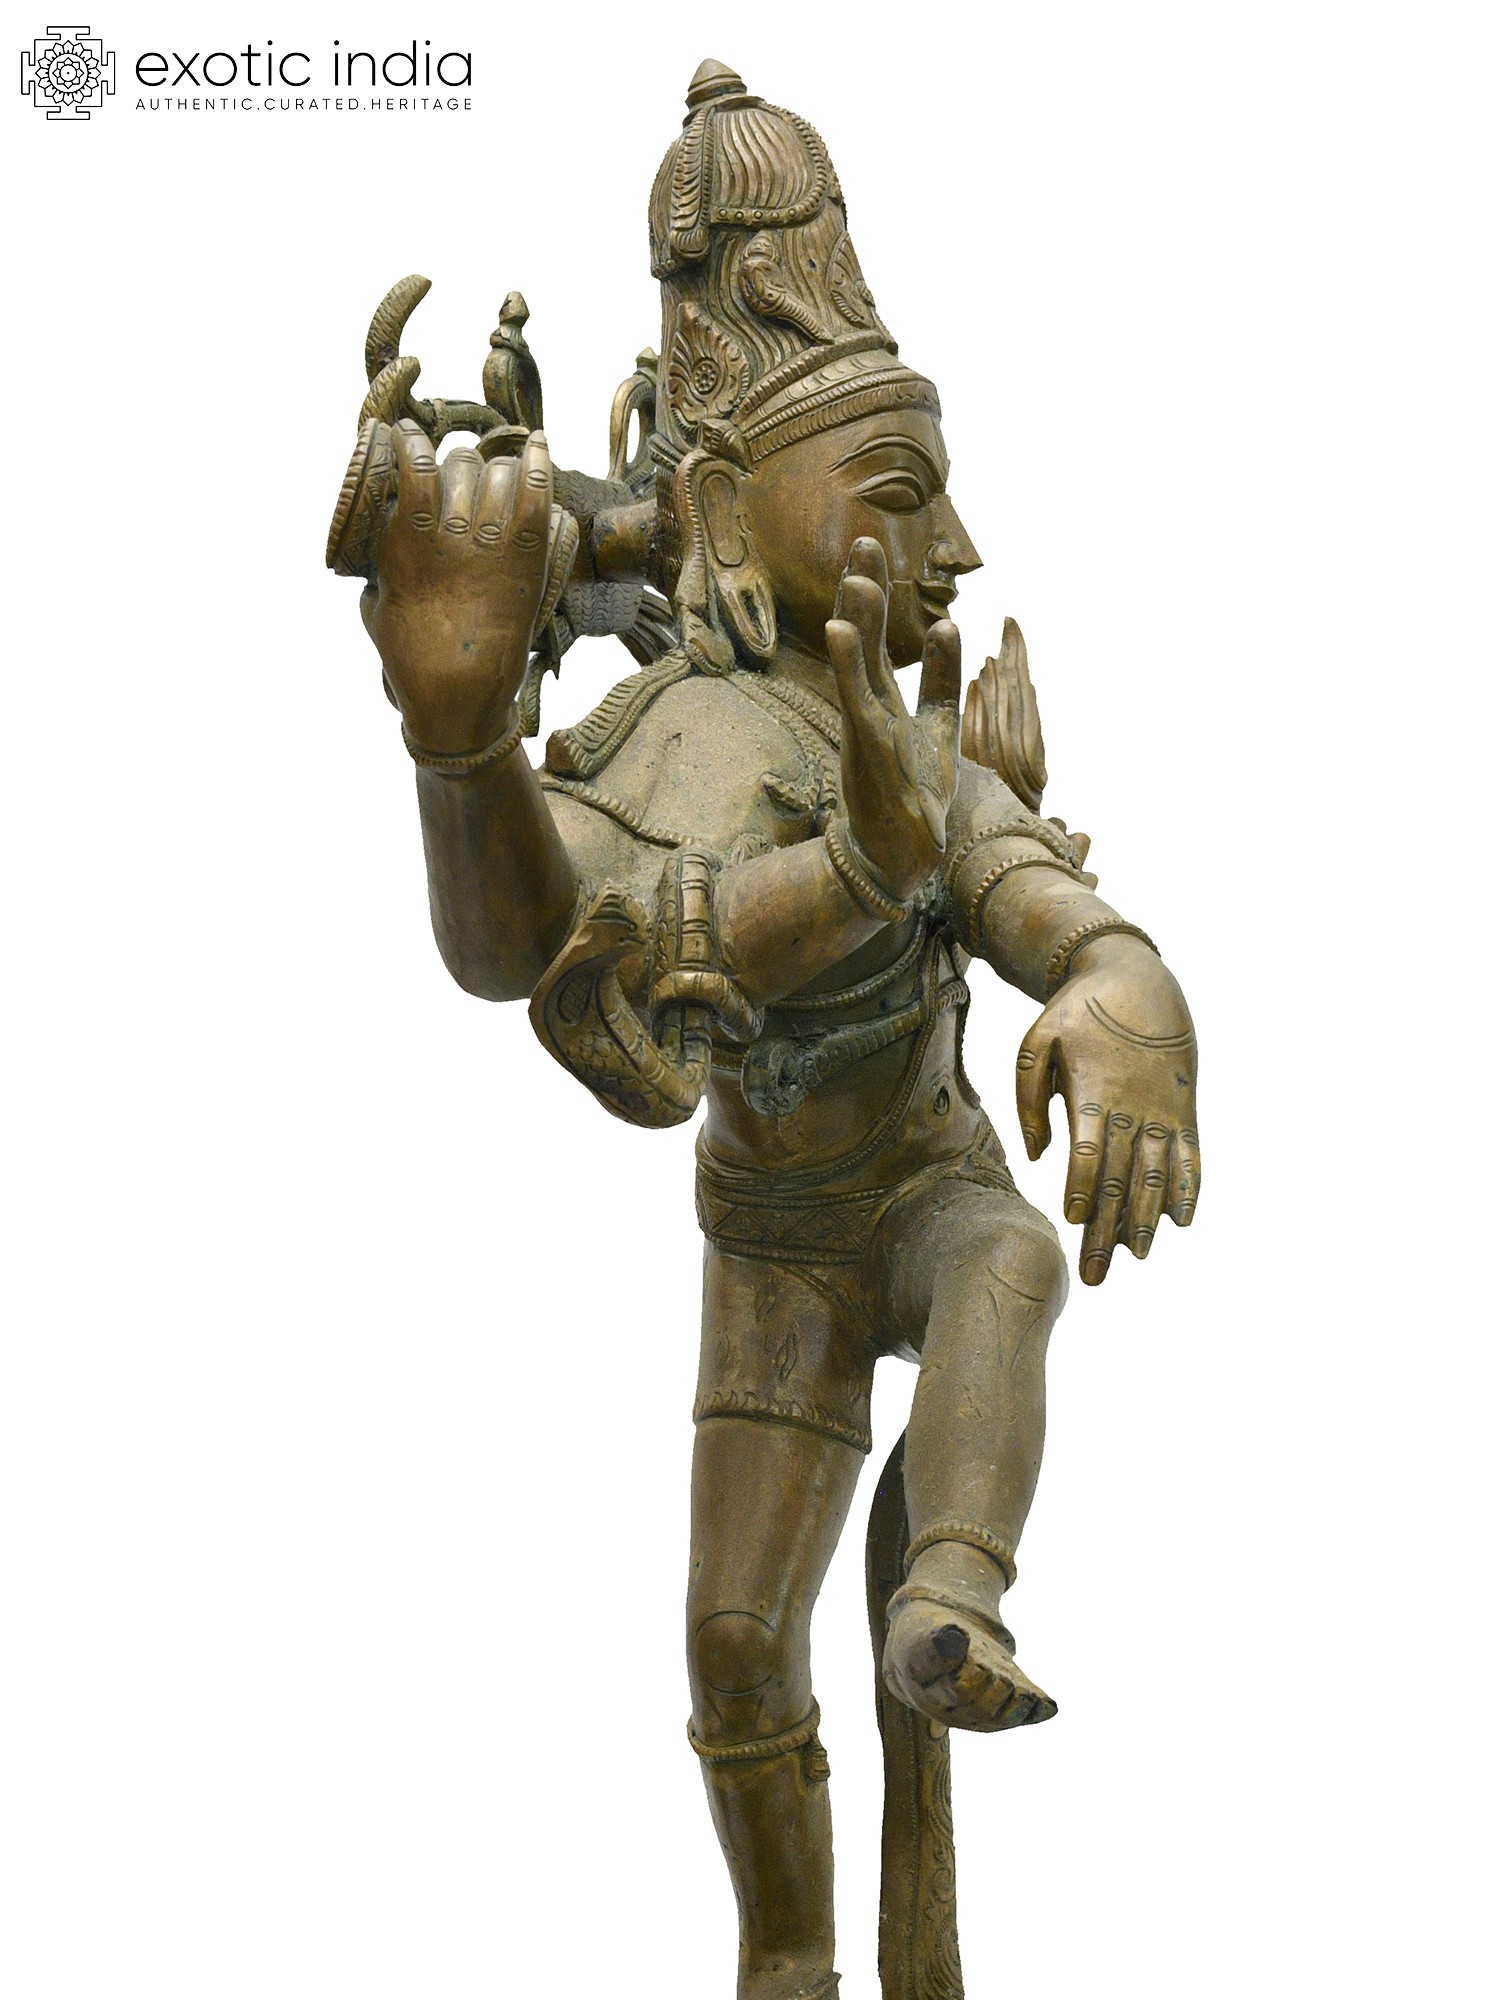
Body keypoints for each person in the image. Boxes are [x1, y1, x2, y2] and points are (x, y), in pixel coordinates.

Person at [337, 59, 1199, 2000]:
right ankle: (792, 1952)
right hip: (772, 1254)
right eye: (901, 495)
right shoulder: (679, 741)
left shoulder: (911, 752)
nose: (956, 546)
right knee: (732, 1651)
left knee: (1007, 1259)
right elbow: (535, 949)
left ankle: (951, 1596)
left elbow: (1076, 929)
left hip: (924, 1186)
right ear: (725, 504)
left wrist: (1130, 1016)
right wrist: (460, 748)